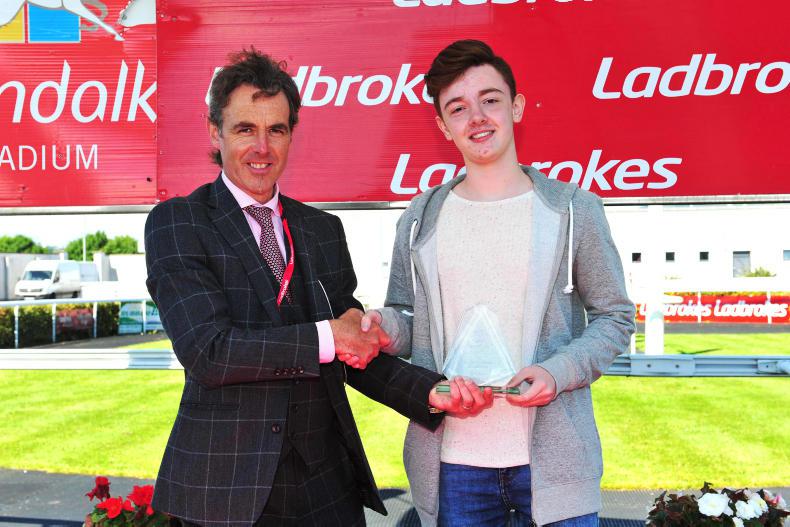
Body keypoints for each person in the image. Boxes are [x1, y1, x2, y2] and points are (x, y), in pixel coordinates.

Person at [144, 48, 488, 527]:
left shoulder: (322, 230)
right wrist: (328, 335)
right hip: (226, 491)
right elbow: (208, 350)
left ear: (291, 134)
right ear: (215, 131)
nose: (262, 147)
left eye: (276, 130)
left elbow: (355, 349)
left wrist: (432, 391)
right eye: (245, 129)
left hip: (327, 487)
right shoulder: (178, 222)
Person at [362, 40, 636, 526]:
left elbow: (614, 317)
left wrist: (557, 371)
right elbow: (406, 317)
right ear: (443, 126)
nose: (477, 118)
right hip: (452, 469)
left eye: (490, 100)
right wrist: (383, 326)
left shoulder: (573, 209)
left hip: (554, 468)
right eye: (458, 108)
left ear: (516, 107)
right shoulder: (420, 217)